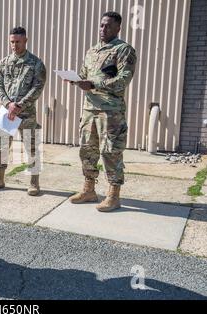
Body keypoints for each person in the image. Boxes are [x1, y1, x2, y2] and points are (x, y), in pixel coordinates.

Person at [67, 12, 137, 212]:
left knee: (111, 152)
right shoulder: (92, 51)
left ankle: (113, 196)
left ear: (118, 28)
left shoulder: (124, 50)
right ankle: (89, 190)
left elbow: (123, 79)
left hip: (111, 112)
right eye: (101, 26)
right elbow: (84, 75)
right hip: (90, 109)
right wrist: (75, 79)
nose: (103, 29)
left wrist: (93, 83)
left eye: (107, 26)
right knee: (87, 150)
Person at [0, 26, 47, 196]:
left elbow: (37, 87)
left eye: (18, 42)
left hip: (26, 113)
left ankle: (34, 182)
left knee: (32, 147)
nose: (14, 45)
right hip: (7, 112)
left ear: (25, 41)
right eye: (12, 42)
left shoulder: (36, 63)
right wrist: (7, 104)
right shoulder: (4, 63)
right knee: (2, 146)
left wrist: (20, 104)